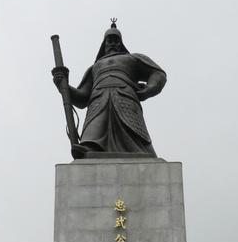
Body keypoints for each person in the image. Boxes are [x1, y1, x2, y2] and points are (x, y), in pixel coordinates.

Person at [51, 20, 166, 157]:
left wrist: (150, 89)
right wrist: (63, 86)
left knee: (133, 129)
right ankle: (90, 147)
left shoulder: (132, 58)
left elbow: (158, 73)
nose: (113, 43)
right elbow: (82, 97)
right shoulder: (95, 67)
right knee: (95, 127)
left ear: (121, 44)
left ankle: (142, 152)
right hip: (98, 100)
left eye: (116, 41)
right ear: (104, 44)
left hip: (125, 96)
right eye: (109, 41)